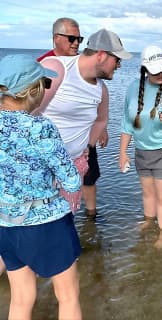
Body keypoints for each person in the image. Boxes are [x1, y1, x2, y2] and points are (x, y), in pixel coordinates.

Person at [0, 54, 82, 319]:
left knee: (21, 299)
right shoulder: (41, 127)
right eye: (45, 84)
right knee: (68, 297)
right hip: (47, 223)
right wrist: (75, 171)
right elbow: (70, 180)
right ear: (34, 91)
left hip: (6, 223)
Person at [36, 28, 132, 215]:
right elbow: (25, 111)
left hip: (72, 170)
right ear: (102, 55)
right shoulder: (57, 69)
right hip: (41, 169)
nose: (119, 66)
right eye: (117, 60)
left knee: (65, 218)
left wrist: (87, 145)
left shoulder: (101, 90)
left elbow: (101, 120)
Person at [119, 45, 162, 248]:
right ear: (144, 69)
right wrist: (123, 151)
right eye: (156, 70)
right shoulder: (133, 88)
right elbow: (127, 122)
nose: (161, 74)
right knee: (148, 193)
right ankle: (149, 223)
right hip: (142, 150)